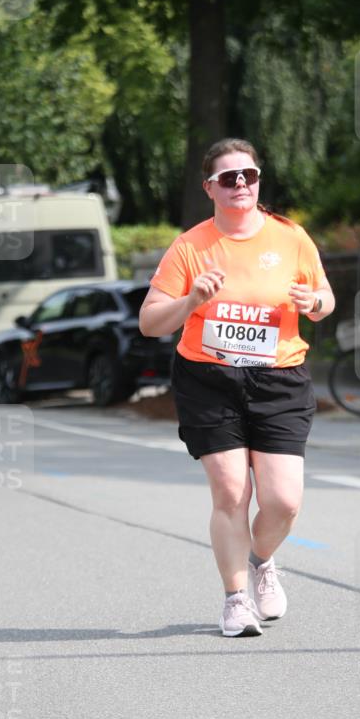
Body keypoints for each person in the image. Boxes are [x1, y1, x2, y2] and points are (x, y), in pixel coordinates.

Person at [139, 138, 335, 637]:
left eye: (249, 175)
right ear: (210, 188)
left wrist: (314, 303)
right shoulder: (191, 246)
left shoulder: (291, 238)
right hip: (209, 379)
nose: (241, 184)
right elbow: (149, 321)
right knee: (231, 491)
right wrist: (191, 301)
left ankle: (261, 559)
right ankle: (235, 601)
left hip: (279, 379)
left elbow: (325, 298)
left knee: (283, 501)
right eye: (229, 178)